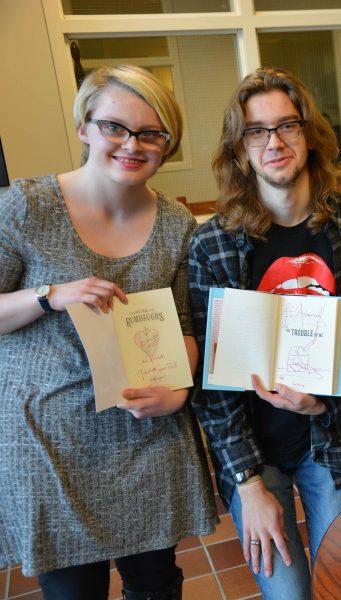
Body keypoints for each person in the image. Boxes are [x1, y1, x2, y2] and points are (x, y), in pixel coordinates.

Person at [188, 67, 341, 599]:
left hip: (329, 442)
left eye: (287, 125)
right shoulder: (213, 247)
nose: (275, 141)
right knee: (289, 595)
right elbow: (211, 385)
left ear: (310, 134)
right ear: (240, 149)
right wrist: (246, 484)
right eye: (256, 130)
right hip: (253, 454)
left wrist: (330, 402)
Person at [0, 65, 217, 599]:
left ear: (167, 145)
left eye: (151, 133)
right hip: (50, 443)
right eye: (114, 127)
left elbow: (189, 328)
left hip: (145, 436)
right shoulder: (26, 207)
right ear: (84, 128)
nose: (131, 144)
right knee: (73, 590)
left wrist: (179, 389)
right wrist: (49, 296)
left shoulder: (176, 225)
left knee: (157, 585)